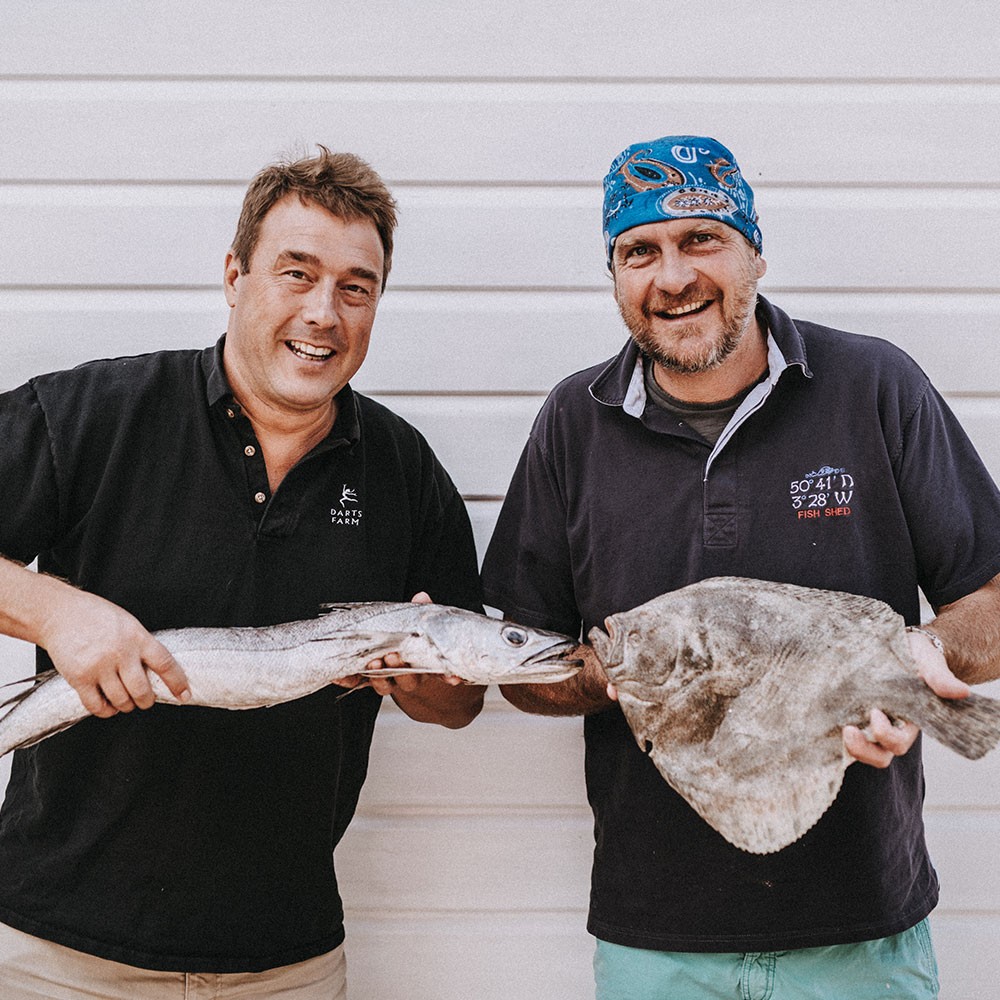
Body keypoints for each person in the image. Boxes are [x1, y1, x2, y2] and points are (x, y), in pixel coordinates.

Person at [481, 135, 1000, 999]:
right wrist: (612, 676)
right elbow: (520, 664)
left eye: (701, 239)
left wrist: (915, 665)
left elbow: (991, 592)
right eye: (639, 251)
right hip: (657, 941)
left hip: (862, 930)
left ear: (754, 250)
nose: (672, 275)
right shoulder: (574, 421)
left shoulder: (875, 386)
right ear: (614, 275)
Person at [0, 147, 485, 998]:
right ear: (235, 275)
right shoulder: (92, 416)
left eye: (355, 287)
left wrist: (426, 686)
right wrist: (51, 611)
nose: (323, 313)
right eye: (295, 273)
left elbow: (459, 701)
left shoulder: (406, 473)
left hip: (287, 962)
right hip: (57, 952)